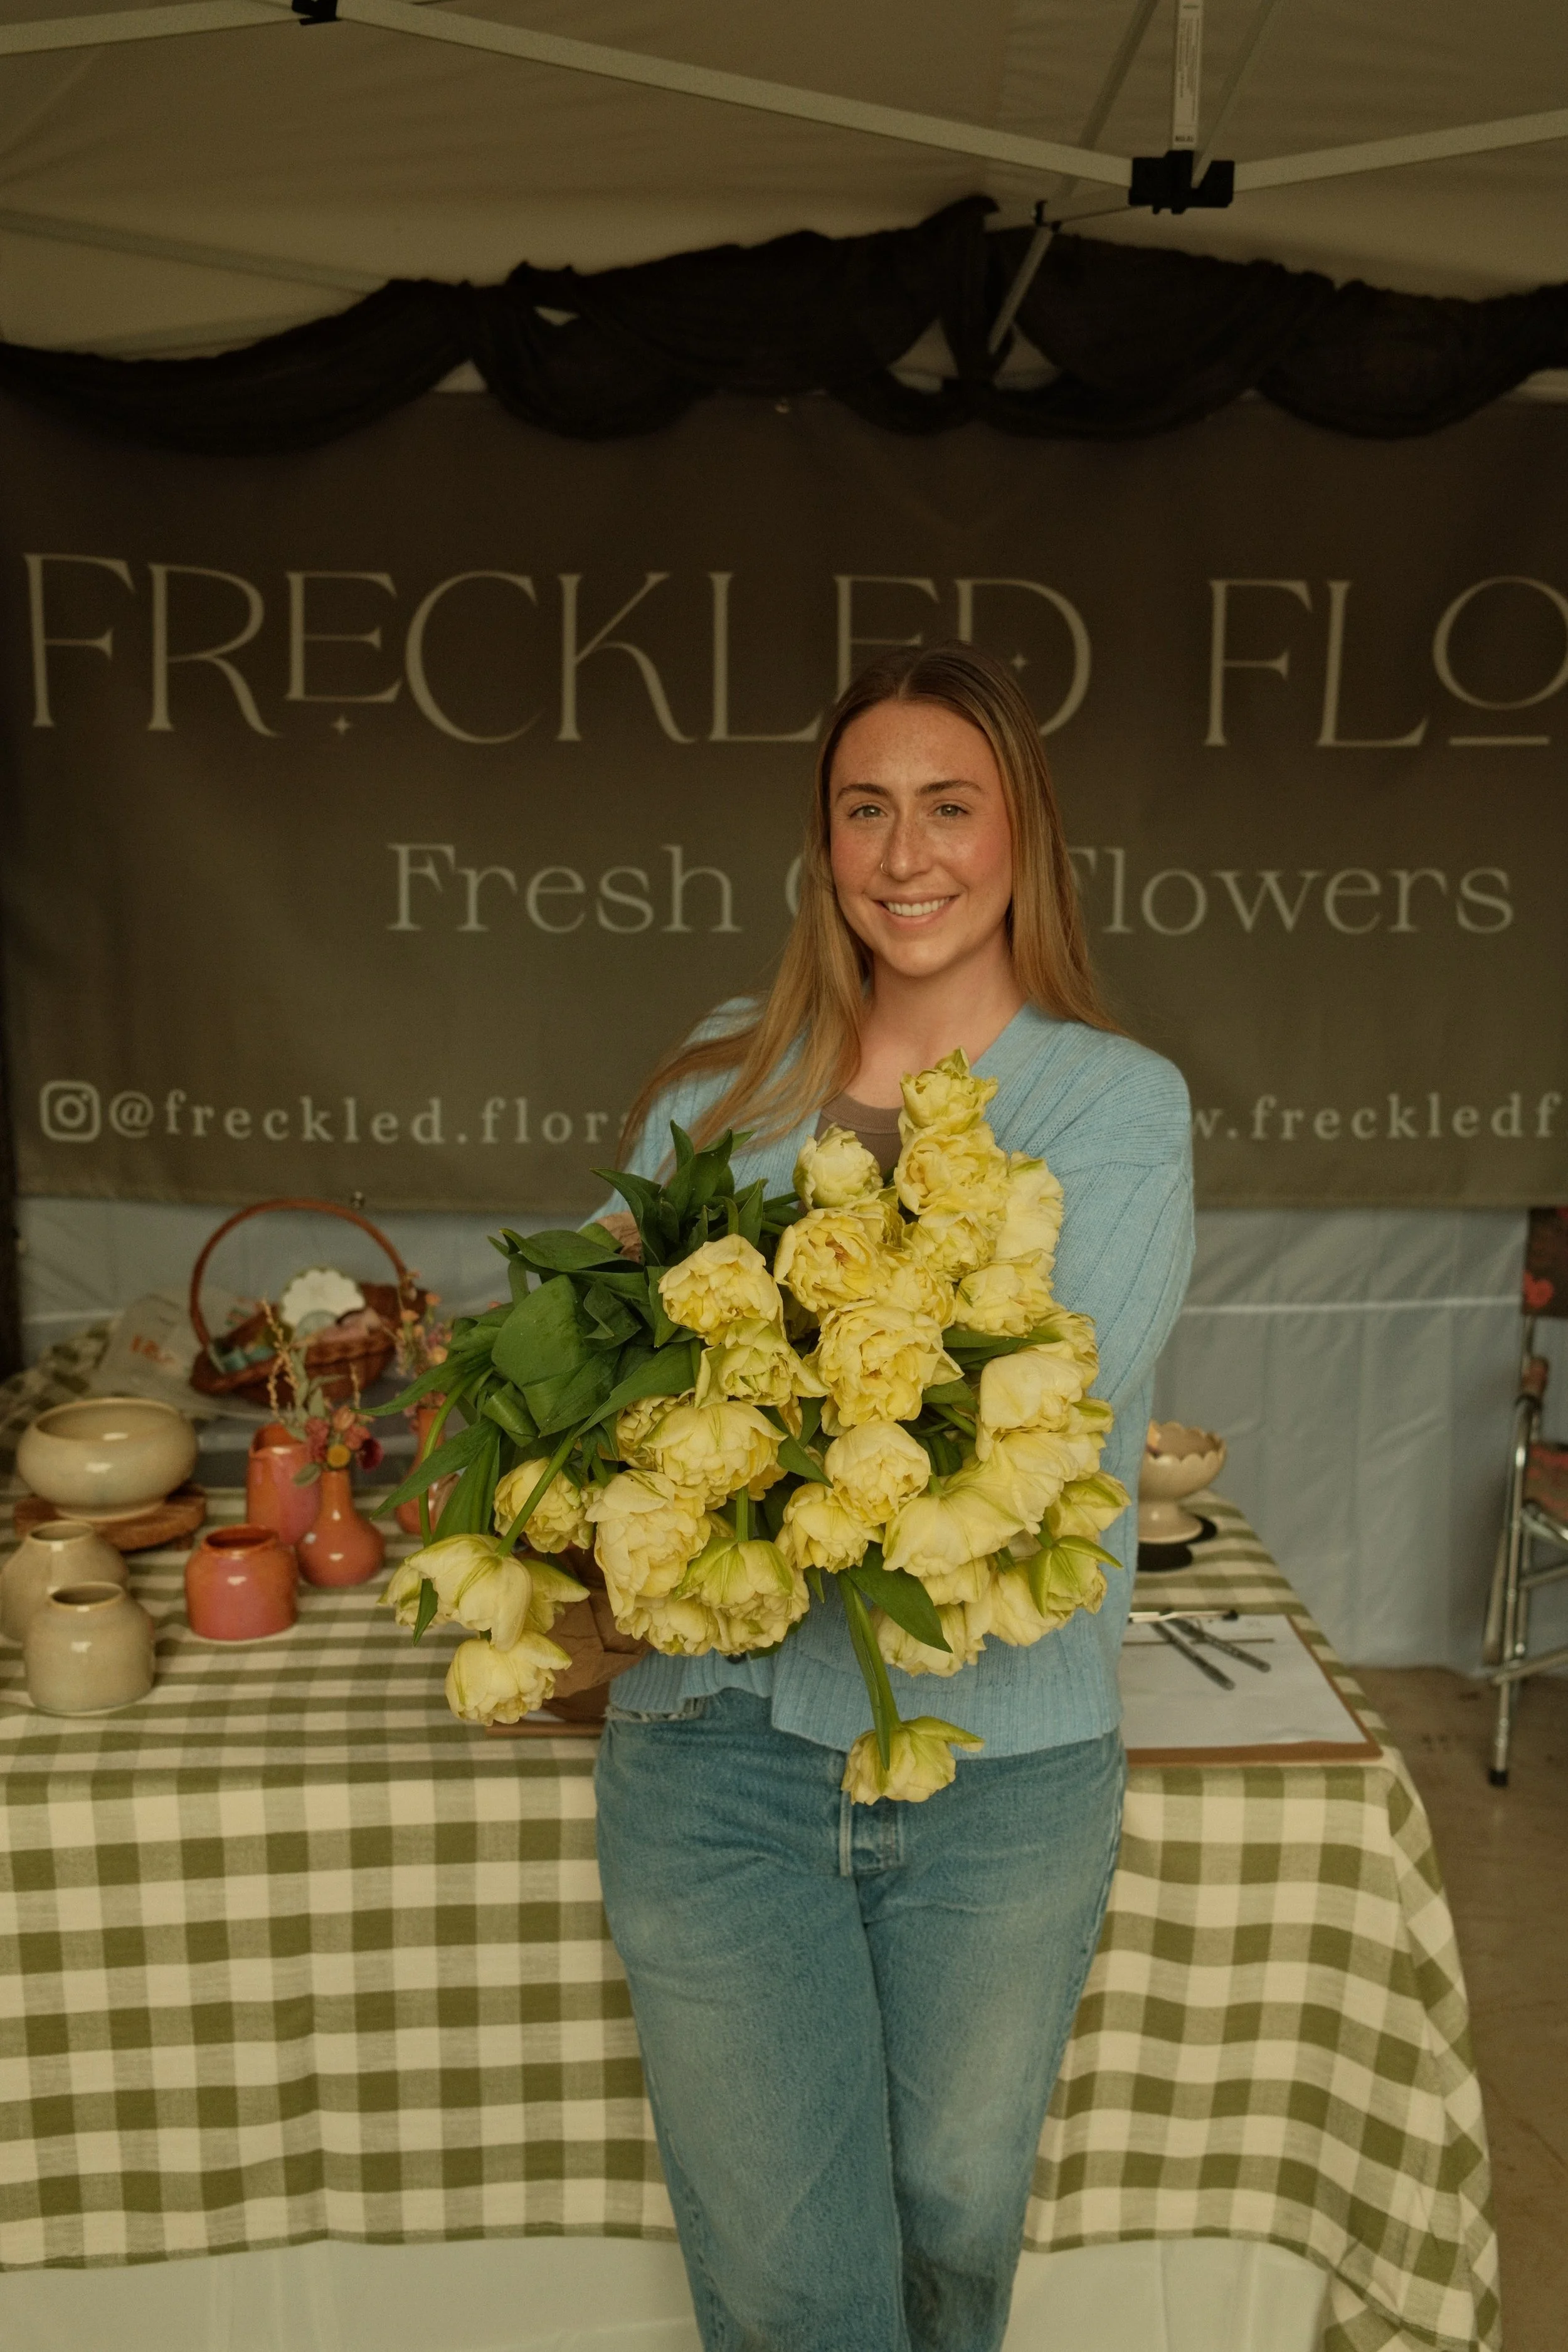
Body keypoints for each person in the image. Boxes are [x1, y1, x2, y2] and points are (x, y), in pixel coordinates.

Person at [592, 643, 1194, 2352]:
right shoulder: (721, 1072)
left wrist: (726, 1458)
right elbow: (608, 1370)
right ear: (821, 841)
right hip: (712, 1763)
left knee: (943, 2249)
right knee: (796, 2292)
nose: (904, 852)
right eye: (865, 809)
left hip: (1003, 1780)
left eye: (948, 806)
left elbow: (1033, 1441)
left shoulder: (1114, 1107)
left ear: (1023, 837)